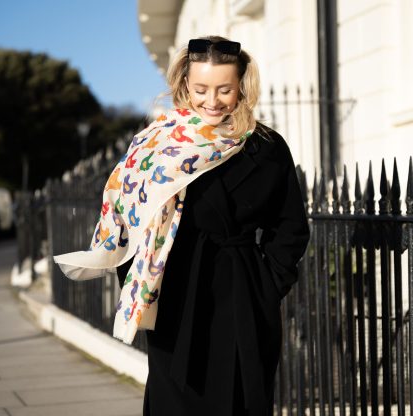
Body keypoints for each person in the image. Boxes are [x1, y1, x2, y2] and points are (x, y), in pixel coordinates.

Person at [116, 35, 311, 415]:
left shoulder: (265, 146)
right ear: (184, 84)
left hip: (243, 295)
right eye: (201, 88)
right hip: (175, 293)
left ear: (242, 87)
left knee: (242, 399)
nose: (212, 100)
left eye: (225, 89)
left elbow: (290, 226)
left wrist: (267, 286)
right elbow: (127, 216)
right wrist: (139, 282)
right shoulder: (159, 144)